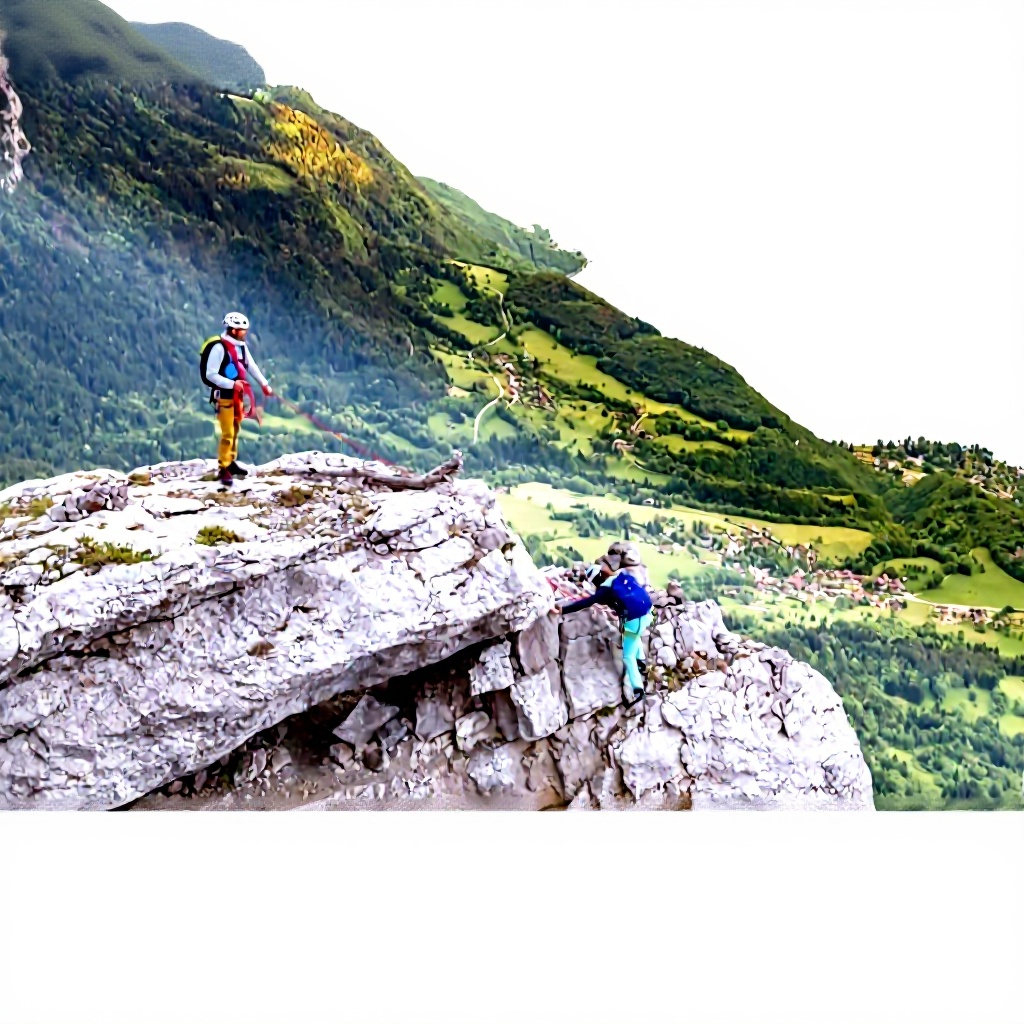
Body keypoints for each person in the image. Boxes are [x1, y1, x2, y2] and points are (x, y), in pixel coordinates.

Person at [555, 561, 654, 708]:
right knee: (633, 636)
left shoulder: (605, 591)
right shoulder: (621, 577)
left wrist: (563, 610)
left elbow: (585, 603)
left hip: (634, 621)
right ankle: (641, 662)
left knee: (628, 656)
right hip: (648, 613)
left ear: (596, 580)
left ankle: (637, 689)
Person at [200, 312, 273, 486]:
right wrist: (233, 385)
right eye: (241, 330)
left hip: (237, 396)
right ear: (232, 330)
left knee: (235, 428)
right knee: (227, 433)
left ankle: (230, 461)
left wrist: (264, 384)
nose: (244, 333)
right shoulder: (219, 348)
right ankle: (223, 467)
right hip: (224, 396)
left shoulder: (241, 347)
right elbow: (210, 375)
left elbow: (251, 366)